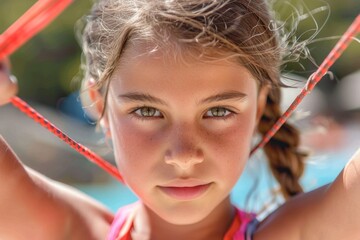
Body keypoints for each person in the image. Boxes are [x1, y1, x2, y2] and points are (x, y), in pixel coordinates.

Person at [0, 0, 359, 239]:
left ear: (260, 106)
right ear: (99, 105)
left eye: (218, 111)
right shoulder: (68, 230)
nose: (184, 155)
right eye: (147, 111)